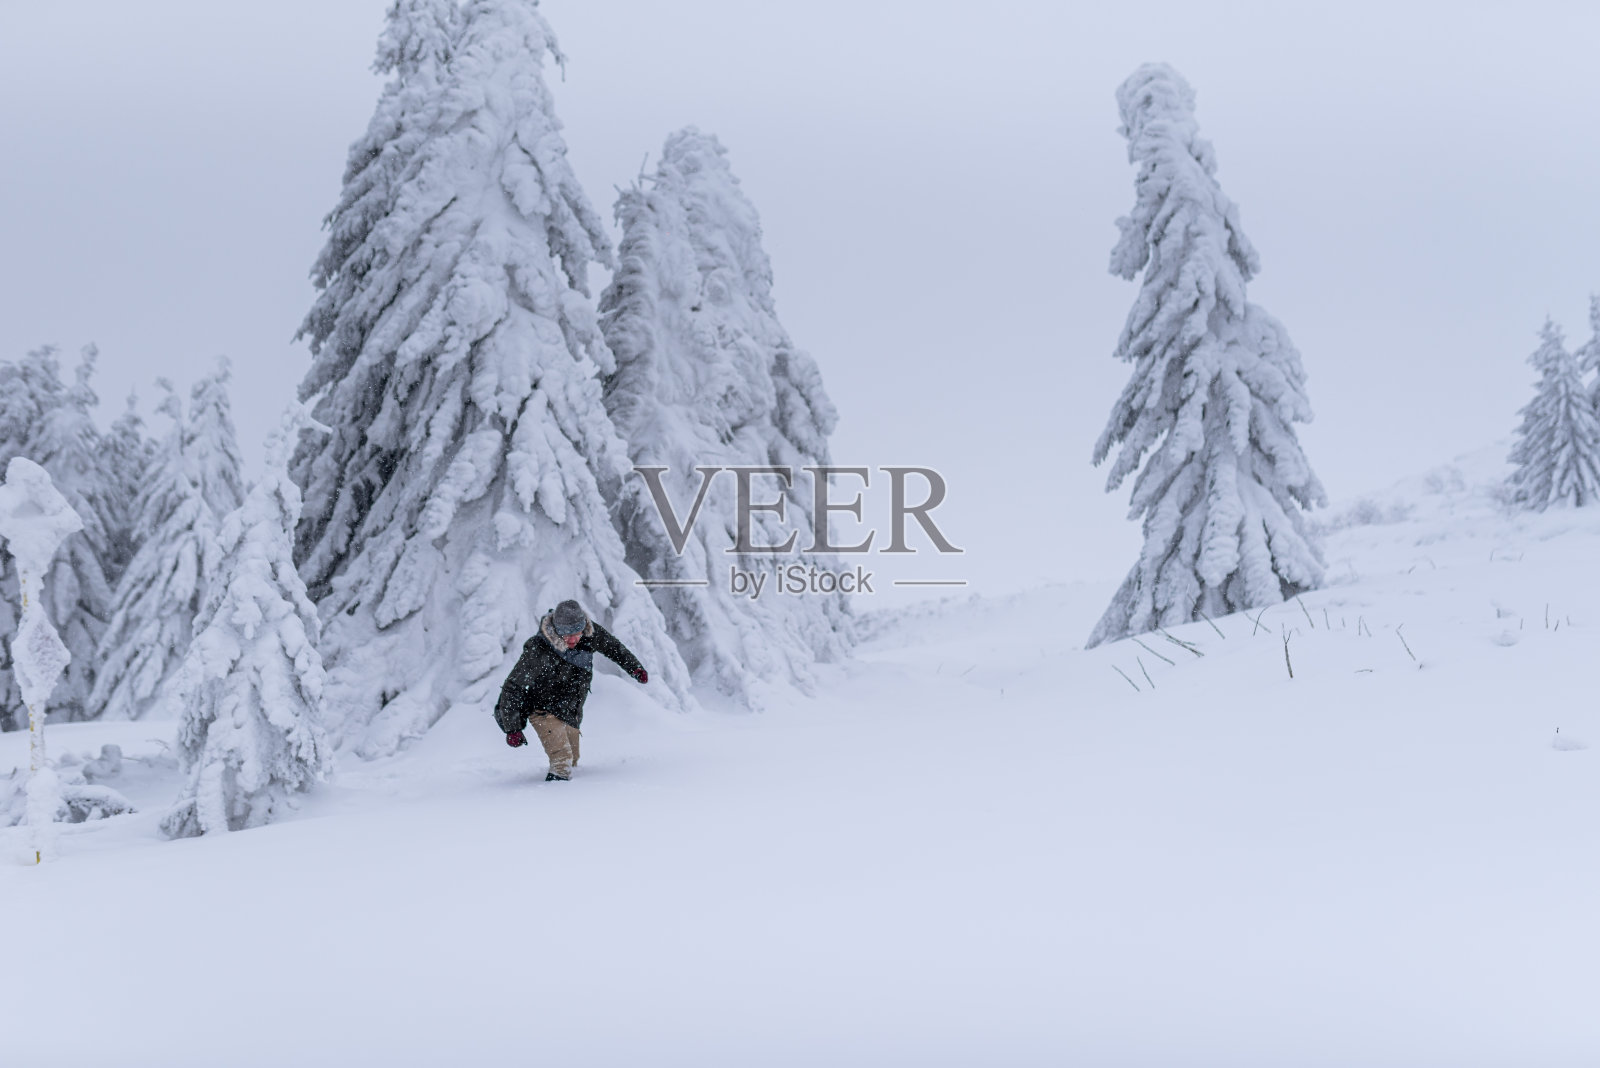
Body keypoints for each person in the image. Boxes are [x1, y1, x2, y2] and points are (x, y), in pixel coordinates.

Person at [493, 599, 649, 780]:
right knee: (562, 760)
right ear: (557, 631)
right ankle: (555, 802)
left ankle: (569, 796)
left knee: (573, 759)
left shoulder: (589, 633)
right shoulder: (538, 649)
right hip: (542, 709)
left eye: (577, 633)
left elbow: (613, 647)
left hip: (569, 709)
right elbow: (513, 686)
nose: (573, 639)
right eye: (567, 635)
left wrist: (635, 668)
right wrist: (513, 728)